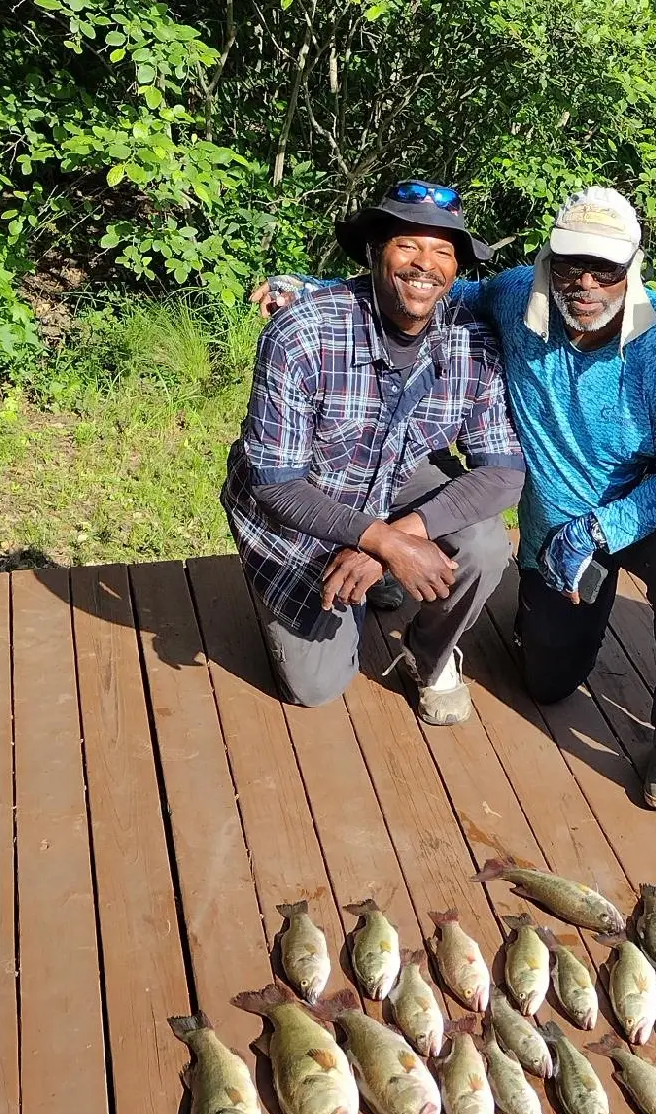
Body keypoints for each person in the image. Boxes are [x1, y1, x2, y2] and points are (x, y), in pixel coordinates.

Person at [255, 187, 656, 810]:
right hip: (557, 521)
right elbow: (428, 289)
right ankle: (532, 614)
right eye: (570, 264)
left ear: (633, 267)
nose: (586, 283)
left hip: (649, 508)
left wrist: (604, 529)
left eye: (606, 268)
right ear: (547, 260)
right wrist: (310, 289)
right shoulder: (514, 298)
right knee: (547, 682)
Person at [225, 180, 523, 721]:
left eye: (443, 251)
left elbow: (504, 472)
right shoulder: (302, 332)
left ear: (456, 271)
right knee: (314, 686)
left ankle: (428, 654)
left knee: (485, 544)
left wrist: (393, 540)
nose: (424, 264)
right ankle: (352, 587)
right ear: (375, 252)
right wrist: (379, 538)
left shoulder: (472, 337)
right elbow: (274, 483)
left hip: (400, 475)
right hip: (309, 494)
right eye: (408, 244)